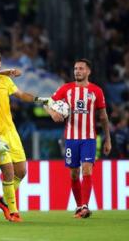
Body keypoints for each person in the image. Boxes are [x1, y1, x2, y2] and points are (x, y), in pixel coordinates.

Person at [0, 47, 48, 222]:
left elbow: (21, 95)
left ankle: (4, 201)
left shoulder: (6, 81)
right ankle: (13, 211)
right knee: (8, 170)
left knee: (21, 171)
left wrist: (41, 100)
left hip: (11, 131)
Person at [47, 59, 112, 219]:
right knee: (74, 174)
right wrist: (52, 113)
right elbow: (47, 102)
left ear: (88, 71)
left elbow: (103, 117)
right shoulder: (66, 89)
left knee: (87, 169)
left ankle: (85, 206)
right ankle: (78, 207)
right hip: (71, 139)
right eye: (75, 68)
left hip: (89, 138)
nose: (77, 71)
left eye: (81, 68)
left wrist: (107, 139)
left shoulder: (96, 91)